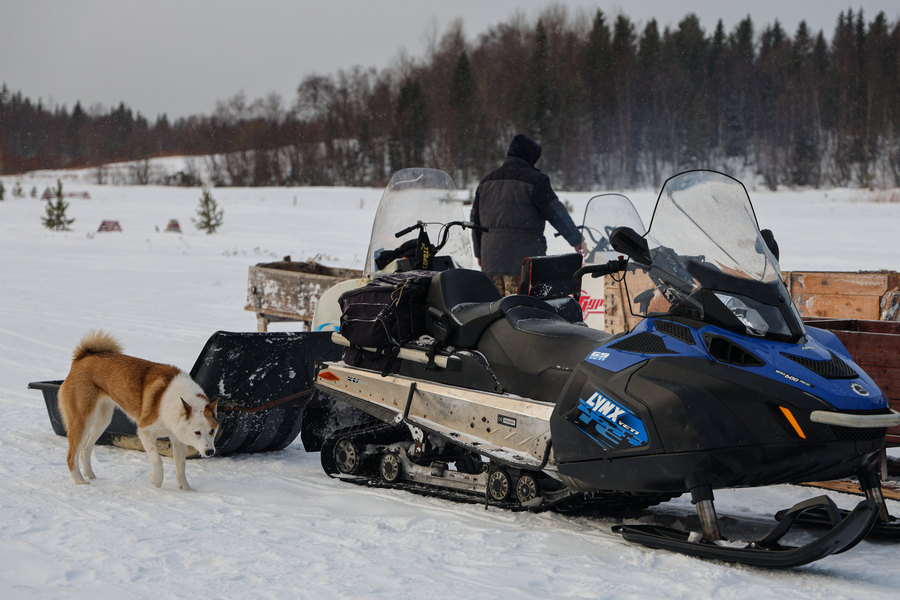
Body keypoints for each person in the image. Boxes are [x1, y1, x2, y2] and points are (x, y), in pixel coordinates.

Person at [470, 133, 586, 295]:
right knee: (520, 314)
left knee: (495, 314)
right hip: (522, 265)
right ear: (529, 158)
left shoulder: (486, 181)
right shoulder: (536, 180)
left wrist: (479, 253)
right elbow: (556, 212)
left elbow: (475, 222)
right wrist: (576, 239)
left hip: (491, 263)